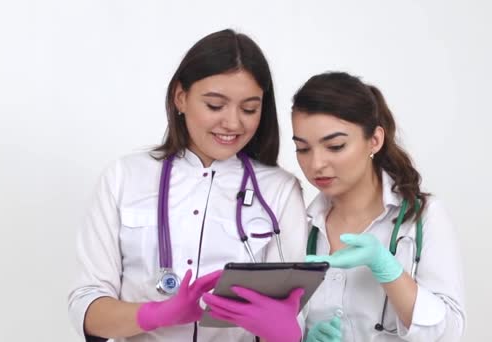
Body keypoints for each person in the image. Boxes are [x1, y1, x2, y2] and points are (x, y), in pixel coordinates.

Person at [68, 29, 308, 342]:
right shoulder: (124, 177)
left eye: (249, 109)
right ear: (180, 97)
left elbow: (295, 312)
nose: (233, 123)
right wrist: (153, 315)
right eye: (215, 105)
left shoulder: (279, 191)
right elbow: (86, 304)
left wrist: (287, 332)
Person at [290, 72, 466, 341]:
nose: (316, 164)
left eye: (335, 146)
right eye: (303, 149)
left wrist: (387, 269)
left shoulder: (423, 217)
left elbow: (450, 333)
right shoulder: (298, 225)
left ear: (374, 140)